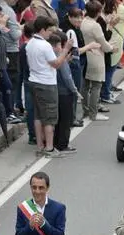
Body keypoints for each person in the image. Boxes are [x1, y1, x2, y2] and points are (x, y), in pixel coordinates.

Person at [26, 15, 74, 157]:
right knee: (50, 118)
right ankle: (50, 148)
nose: (51, 34)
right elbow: (56, 64)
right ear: (42, 30)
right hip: (46, 83)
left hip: (33, 80)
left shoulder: (30, 43)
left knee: (38, 116)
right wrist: (66, 50)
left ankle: (40, 146)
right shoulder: (45, 45)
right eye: (49, 31)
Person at [81, 1, 114, 122]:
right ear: (98, 12)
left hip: (86, 55)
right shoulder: (95, 26)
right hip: (96, 56)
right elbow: (103, 43)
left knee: (85, 85)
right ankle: (93, 113)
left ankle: (86, 110)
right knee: (96, 86)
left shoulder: (83, 22)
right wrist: (111, 48)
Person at [52, 31, 82, 154]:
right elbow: (67, 78)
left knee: (58, 120)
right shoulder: (61, 59)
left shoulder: (50, 57)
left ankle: (56, 142)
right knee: (65, 120)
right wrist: (75, 91)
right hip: (65, 92)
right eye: (61, 45)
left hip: (55, 91)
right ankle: (63, 144)